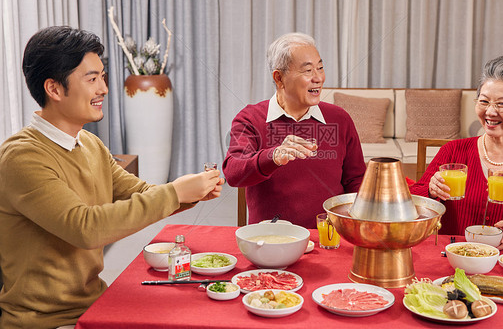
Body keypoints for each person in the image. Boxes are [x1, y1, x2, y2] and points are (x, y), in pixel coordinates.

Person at [0, 26, 224, 329]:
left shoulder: (89, 143)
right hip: (46, 321)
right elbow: (86, 228)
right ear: (54, 89)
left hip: (93, 304)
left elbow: (139, 193)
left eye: (102, 77)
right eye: (92, 79)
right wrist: (175, 193)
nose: (104, 89)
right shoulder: (21, 157)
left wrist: (192, 191)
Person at [410, 56, 503, 250]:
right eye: (484, 101)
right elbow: (411, 203)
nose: (490, 112)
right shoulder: (453, 150)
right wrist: (431, 191)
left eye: (502, 104)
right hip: (452, 260)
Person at [222, 32, 366, 229]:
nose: (318, 78)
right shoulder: (250, 119)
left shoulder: (339, 119)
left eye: (320, 68)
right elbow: (233, 173)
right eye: (307, 71)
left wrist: (354, 224)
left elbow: (356, 180)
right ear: (279, 78)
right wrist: (273, 156)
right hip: (271, 240)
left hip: (328, 238)